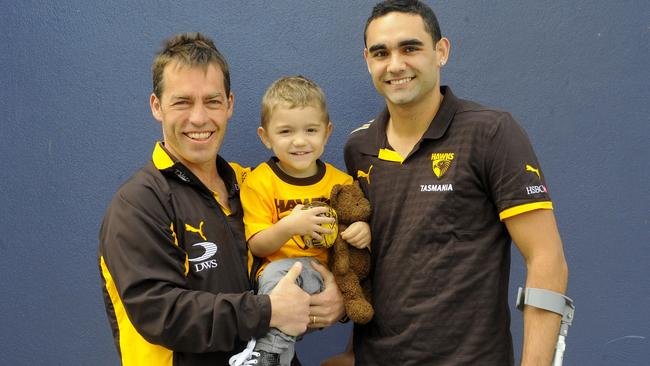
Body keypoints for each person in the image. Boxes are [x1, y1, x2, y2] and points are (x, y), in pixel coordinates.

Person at [342, 1, 569, 365]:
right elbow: (372, 260)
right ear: (368, 60)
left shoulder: (491, 132)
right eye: (381, 53)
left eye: (410, 48)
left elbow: (547, 258)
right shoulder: (359, 147)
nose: (396, 64)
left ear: (441, 52)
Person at [98, 33, 344, 366]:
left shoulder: (251, 184)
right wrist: (268, 311)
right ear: (157, 106)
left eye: (212, 101)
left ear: (229, 104)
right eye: (182, 101)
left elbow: (295, 266)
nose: (199, 118)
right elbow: (162, 313)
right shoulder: (139, 204)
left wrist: (334, 300)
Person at [236, 76, 370, 365]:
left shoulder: (341, 183)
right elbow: (257, 246)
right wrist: (289, 227)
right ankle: (271, 353)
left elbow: (355, 219)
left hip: (325, 281)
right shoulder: (260, 182)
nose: (300, 141)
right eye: (285, 131)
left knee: (277, 321)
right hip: (275, 285)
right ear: (265, 136)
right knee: (277, 279)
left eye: (311, 130)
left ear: (326, 132)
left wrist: (362, 231)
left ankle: (267, 355)